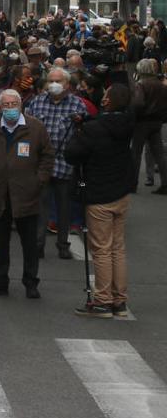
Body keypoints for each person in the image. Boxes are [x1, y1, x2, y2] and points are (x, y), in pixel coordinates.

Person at [0, 89, 54, 299]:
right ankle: (0, 282)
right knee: (0, 244)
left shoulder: (35, 128)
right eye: (6, 105)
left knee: (29, 244)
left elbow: (47, 156)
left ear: (20, 105)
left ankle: (31, 282)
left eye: (13, 104)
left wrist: (39, 181)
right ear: (0, 107)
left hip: (26, 196)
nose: (10, 108)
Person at [65, 84, 135, 318]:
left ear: (107, 102)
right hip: (120, 191)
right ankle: (120, 300)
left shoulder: (94, 129)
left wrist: (80, 129)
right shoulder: (126, 124)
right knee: (118, 248)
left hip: (99, 193)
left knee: (102, 249)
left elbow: (72, 154)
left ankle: (103, 299)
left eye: (105, 95)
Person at [25, 67, 88, 259]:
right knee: (41, 207)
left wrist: (79, 124)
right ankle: (38, 245)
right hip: (42, 164)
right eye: (51, 80)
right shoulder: (37, 102)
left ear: (67, 85)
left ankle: (63, 244)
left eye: (58, 81)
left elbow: (85, 134)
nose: (54, 85)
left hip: (65, 165)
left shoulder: (77, 105)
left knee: (64, 208)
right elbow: (26, 129)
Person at [130, 59, 167, 193]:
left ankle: (132, 184)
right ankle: (165, 184)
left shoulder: (140, 84)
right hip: (157, 122)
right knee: (160, 154)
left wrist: (134, 117)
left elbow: (138, 104)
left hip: (142, 123)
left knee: (135, 153)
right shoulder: (161, 85)